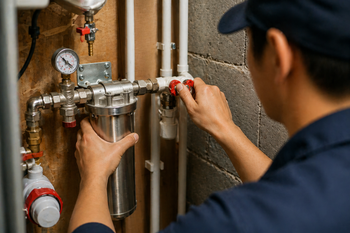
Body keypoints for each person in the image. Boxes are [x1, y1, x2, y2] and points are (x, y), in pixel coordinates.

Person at [69, 0, 350, 232]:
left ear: (279, 55)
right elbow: (296, 194)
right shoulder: (325, 179)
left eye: (249, 42)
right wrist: (225, 128)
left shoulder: (232, 221)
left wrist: (93, 175)